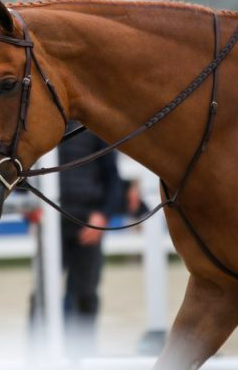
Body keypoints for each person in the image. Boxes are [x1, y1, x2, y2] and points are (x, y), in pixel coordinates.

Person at [56, 124, 142, 358]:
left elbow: (111, 176)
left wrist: (102, 215)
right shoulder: (40, 124)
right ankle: (37, 355)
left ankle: (83, 353)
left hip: (88, 219)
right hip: (52, 222)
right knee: (43, 294)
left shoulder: (92, 128)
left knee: (86, 293)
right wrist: (34, 215)